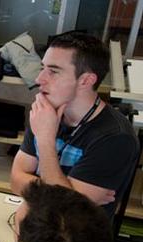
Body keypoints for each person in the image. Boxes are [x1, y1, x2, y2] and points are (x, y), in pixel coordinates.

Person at [10, 31, 139, 217]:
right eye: (42, 68)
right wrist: (69, 194)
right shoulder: (45, 112)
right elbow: (15, 181)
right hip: (34, 229)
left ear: (86, 80)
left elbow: (66, 211)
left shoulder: (116, 138)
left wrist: (46, 139)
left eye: (53, 71)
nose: (39, 79)